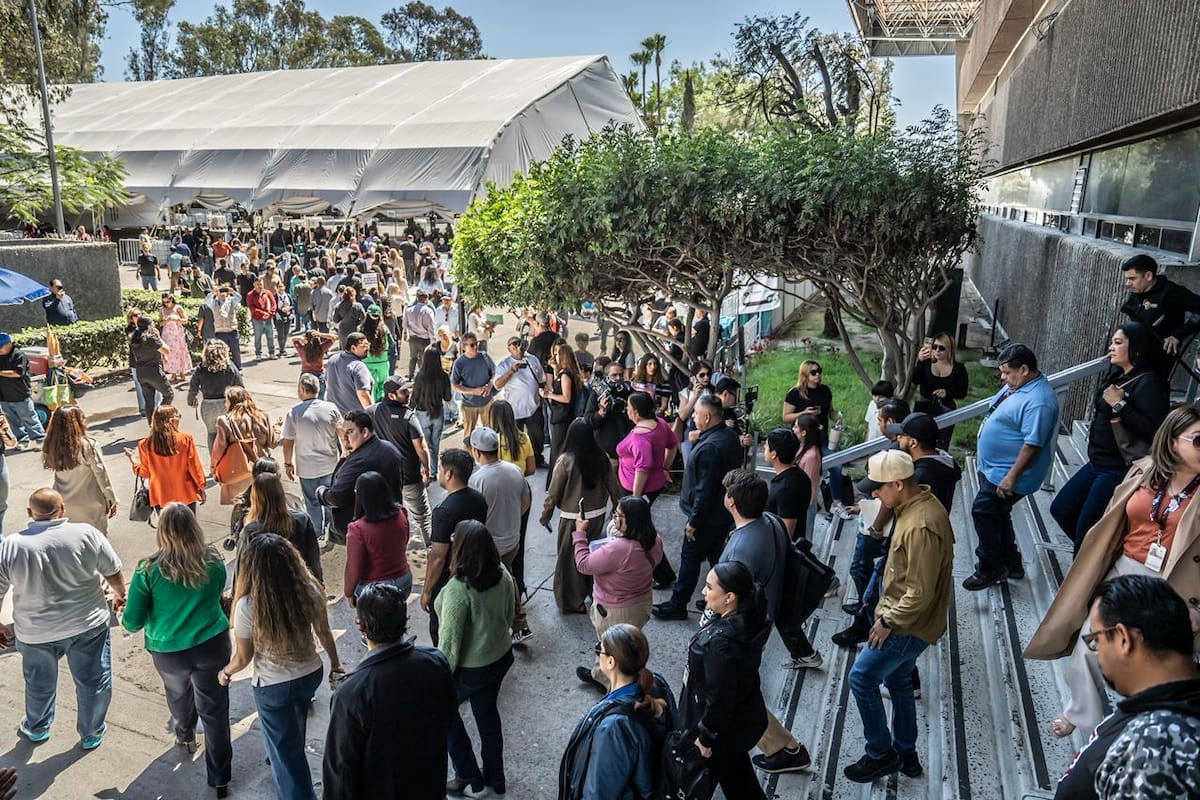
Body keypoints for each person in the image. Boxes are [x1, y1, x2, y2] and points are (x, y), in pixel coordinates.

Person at [1026, 403, 1200, 739]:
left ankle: (1141, 731)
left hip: (1175, 583)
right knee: (1090, 647)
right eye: (1197, 440)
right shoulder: (1145, 471)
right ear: (1172, 441)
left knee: (1153, 664)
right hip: (1123, 570)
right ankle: (1086, 716)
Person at [842, 450, 954, 783]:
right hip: (910, 620)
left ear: (899, 483)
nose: (875, 494)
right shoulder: (916, 506)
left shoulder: (921, 525)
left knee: (861, 679)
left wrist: (887, 622)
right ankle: (907, 754)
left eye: (879, 488)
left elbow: (918, 593)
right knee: (899, 682)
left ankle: (880, 754)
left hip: (906, 624)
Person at [1049, 576, 1200, 800]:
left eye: (1096, 639)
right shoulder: (1163, 710)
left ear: (1123, 639)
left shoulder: (1157, 750)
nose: (1096, 650)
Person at [219, 534, 343, 800]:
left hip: (273, 686)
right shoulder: (309, 588)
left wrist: (225, 673)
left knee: (286, 757)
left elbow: (243, 657)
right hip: (311, 673)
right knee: (294, 725)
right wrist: (335, 663)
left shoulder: (248, 605)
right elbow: (324, 632)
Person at [0, 488, 126, 750]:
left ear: (29, 513)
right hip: (88, 623)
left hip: (35, 632)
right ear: (63, 509)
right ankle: (91, 732)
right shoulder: (86, 534)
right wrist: (120, 594)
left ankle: (37, 727)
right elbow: (113, 570)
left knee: (39, 683)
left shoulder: (11, 545)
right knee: (93, 681)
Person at [121, 504, 232, 797]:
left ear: (162, 532)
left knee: (179, 696)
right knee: (215, 710)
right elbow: (219, 593)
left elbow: (132, 622)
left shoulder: (148, 570)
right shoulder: (213, 560)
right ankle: (220, 777)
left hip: (169, 651)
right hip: (212, 644)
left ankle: (185, 735)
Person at [835, 413, 962, 651]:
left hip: (901, 543)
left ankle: (869, 621)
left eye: (902, 435)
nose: (898, 437)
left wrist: (875, 526)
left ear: (913, 442)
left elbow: (918, 592)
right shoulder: (944, 461)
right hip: (905, 541)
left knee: (871, 575)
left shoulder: (919, 480)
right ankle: (868, 617)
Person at [323, 584, 456, 800]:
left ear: (362, 627)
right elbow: (448, 716)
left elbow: (340, 775)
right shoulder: (435, 661)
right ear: (404, 621)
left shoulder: (352, 694)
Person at [1050, 322, 1169, 552]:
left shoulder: (1150, 383)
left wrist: (1120, 405)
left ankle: (1086, 570)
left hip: (1118, 467)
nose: (1111, 348)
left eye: (1118, 343)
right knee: (1061, 509)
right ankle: (1097, 555)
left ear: (1135, 346)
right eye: (1112, 343)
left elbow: (1157, 431)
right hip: (1097, 462)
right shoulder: (1119, 374)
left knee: (1087, 529)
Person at [964, 343, 1059, 590]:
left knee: (983, 511)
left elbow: (1033, 443)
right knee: (997, 513)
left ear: (1025, 369)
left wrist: (1011, 477)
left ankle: (989, 567)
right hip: (995, 468)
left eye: (1008, 373)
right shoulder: (1020, 386)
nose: (1003, 378)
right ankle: (1012, 564)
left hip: (1008, 474)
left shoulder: (1039, 401)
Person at [435, 520, 517, 799]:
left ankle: (468, 776)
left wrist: (441, 678)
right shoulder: (503, 573)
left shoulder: (459, 589)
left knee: (444, 714)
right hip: (500, 657)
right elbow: (509, 616)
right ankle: (496, 777)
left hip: (471, 669)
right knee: (487, 714)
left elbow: (449, 645)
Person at [679, 561, 769, 799]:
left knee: (698, 785)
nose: (703, 592)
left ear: (729, 597)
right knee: (738, 777)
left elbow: (720, 697)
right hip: (741, 722)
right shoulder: (749, 619)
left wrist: (706, 738)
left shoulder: (720, 644)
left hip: (722, 731)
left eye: (709, 587)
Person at [559, 624, 675, 800]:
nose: (598, 653)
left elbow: (599, 792)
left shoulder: (614, 728)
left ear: (611, 662)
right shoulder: (655, 685)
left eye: (600, 649)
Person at [653, 396, 742, 620]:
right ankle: (719, 598)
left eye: (695, 414)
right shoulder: (728, 436)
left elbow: (705, 489)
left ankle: (678, 603)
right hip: (720, 514)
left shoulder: (711, 447)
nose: (693, 417)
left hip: (707, 516)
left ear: (707, 416)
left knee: (690, 559)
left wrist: (693, 522)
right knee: (717, 558)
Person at [572, 497, 663, 689]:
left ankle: (610, 686)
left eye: (618, 515)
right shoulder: (654, 540)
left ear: (631, 521)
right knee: (625, 646)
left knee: (612, 649)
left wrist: (580, 534)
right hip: (641, 604)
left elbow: (583, 564)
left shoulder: (619, 549)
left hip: (615, 610)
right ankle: (599, 673)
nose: (614, 519)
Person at [541, 419, 623, 613]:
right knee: (593, 556)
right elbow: (614, 488)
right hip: (597, 516)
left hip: (573, 518)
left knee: (570, 562)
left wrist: (545, 515)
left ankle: (573, 601)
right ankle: (591, 591)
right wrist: (617, 509)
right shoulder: (601, 457)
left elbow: (553, 494)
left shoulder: (566, 460)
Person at [468, 426, 533, 644]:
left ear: (477, 452)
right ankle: (518, 624)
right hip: (512, 539)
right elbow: (526, 502)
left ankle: (513, 624)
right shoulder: (514, 470)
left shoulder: (476, 480)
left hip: (491, 544)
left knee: (494, 581)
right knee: (508, 575)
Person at [422, 449, 488, 642]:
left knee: (442, 630)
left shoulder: (443, 512)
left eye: (441, 469)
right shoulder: (479, 499)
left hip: (450, 578)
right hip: (476, 570)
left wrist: (427, 591)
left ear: (449, 474)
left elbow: (438, 557)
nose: (440, 472)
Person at [317, 409, 404, 543]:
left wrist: (321, 492)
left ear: (365, 432)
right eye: (344, 432)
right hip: (391, 520)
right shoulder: (389, 448)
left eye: (350, 432)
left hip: (367, 530)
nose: (345, 437)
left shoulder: (359, 461)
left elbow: (337, 497)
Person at [369, 376, 433, 547]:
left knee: (392, 517)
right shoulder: (408, 417)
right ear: (391, 395)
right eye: (404, 391)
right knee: (423, 517)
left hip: (386, 478)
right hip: (410, 477)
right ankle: (431, 550)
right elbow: (421, 448)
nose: (409, 393)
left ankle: (396, 551)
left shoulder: (373, 411)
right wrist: (427, 468)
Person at [783, 359, 850, 518]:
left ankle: (836, 502)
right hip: (801, 439)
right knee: (801, 471)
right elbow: (786, 417)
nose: (818, 374)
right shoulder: (795, 393)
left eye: (819, 371)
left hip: (822, 437)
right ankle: (797, 501)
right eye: (813, 372)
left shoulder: (825, 390)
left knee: (836, 465)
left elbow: (830, 411)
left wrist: (837, 418)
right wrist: (803, 413)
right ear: (805, 374)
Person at [1118, 252, 1200, 379]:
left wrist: (1178, 335)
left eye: (1132, 278)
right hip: (1137, 353)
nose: (1128, 283)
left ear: (1148, 275)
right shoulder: (1137, 292)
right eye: (1127, 279)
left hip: (1159, 358)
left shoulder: (1172, 293)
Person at [281, 373, 342, 541]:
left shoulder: (293, 413)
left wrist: (288, 463)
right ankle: (333, 529)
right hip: (330, 464)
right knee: (330, 499)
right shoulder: (331, 408)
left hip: (306, 468)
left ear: (302, 389)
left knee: (312, 502)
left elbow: (288, 442)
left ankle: (317, 531)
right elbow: (343, 433)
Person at [235, 472, 323, 584]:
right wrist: (319, 583)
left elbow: (243, 569)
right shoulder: (302, 520)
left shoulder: (251, 530)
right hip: (299, 585)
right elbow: (313, 557)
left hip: (267, 590)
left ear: (255, 498)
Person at [42, 406, 118, 532]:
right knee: (96, 540)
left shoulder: (50, 445)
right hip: (90, 501)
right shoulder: (87, 446)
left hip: (63, 502)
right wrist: (111, 499)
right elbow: (101, 474)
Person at [344, 471, 412, 602]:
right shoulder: (401, 512)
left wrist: (348, 592)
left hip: (373, 590)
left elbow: (354, 566)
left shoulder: (357, 529)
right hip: (403, 580)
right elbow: (405, 541)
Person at [126, 406, 206, 512]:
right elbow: (194, 467)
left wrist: (133, 460)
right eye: (178, 416)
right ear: (171, 420)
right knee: (188, 527)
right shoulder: (185, 439)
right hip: (185, 494)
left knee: (167, 527)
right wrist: (201, 487)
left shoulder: (145, 444)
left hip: (161, 496)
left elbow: (145, 473)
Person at [210, 386, 277, 505]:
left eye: (226, 400)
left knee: (241, 507)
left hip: (239, 470)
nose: (225, 404)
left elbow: (218, 449)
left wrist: (214, 468)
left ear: (231, 402)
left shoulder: (224, 421)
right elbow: (272, 443)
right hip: (263, 469)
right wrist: (277, 429)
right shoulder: (263, 416)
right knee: (262, 504)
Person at [494, 336, 548, 468]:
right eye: (514, 345)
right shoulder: (504, 364)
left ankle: (537, 459)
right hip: (515, 410)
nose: (518, 347)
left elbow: (542, 379)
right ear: (509, 348)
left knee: (537, 436)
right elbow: (497, 384)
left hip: (533, 407)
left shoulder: (532, 360)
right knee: (515, 438)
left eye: (519, 344)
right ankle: (517, 460)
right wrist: (511, 371)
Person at [616, 391, 677, 503]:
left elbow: (642, 469)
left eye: (629, 406)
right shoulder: (660, 423)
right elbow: (673, 445)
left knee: (634, 518)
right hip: (655, 483)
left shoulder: (640, 438)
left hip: (637, 488)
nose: (626, 409)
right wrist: (665, 467)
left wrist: (635, 498)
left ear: (637, 413)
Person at [911, 333, 968, 449]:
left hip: (945, 408)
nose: (937, 351)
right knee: (921, 443)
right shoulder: (927, 363)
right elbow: (915, 380)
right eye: (934, 347)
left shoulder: (959, 369)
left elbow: (962, 392)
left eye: (941, 348)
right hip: (925, 406)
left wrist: (947, 392)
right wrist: (920, 361)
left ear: (949, 350)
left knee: (941, 443)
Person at [188, 339, 244, 453]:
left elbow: (193, 387)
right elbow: (240, 388)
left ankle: (214, 465)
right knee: (230, 433)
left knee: (212, 434)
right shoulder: (230, 367)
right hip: (227, 404)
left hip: (208, 405)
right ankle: (230, 462)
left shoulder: (200, 368)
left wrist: (191, 400)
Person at [762, 427, 812, 541]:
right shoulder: (798, 474)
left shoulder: (786, 488)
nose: (764, 448)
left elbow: (786, 534)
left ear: (774, 454)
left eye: (766, 445)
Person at [411, 346, 452, 475]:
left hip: (422, 413)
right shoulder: (443, 376)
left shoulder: (420, 376)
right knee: (435, 444)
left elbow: (414, 398)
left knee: (425, 445)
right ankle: (434, 471)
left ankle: (427, 470)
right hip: (438, 412)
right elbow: (448, 397)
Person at [586, 359, 636, 462]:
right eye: (614, 375)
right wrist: (600, 413)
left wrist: (628, 407)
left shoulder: (630, 392)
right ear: (606, 377)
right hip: (607, 454)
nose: (618, 378)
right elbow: (588, 420)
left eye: (621, 375)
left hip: (629, 451)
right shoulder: (597, 395)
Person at [451, 332, 496, 440]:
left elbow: (494, 373)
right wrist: (473, 391)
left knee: (490, 433)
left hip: (487, 402)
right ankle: (468, 456)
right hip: (469, 405)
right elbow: (454, 385)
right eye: (471, 345)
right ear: (464, 346)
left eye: (476, 344)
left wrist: (490, 385)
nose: (475, 347)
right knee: (468, 436)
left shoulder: (484, 356)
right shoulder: (459, 363)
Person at [130, 316, 175, 423]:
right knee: (168, 394)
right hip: (154, 371)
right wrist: (158, 337)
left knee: (149, 401)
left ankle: (151, 425)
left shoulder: (134, 338)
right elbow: (166, 350)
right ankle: (159, 417)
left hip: (141, 371)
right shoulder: (150, 338)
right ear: (149, 326)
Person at [325, 332, 374, 414]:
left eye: (367, 344)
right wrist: (372, 415)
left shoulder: (332, 360)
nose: (367, 348)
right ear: (353, 348)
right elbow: (363, 394)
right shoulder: (358, 366)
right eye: (364, 345)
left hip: (335, 416)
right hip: (356, 420)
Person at [292, 329, 337, 401]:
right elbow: (333, 337)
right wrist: (321, 334)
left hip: (305, 374)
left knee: (305, 399)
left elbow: (294, 339)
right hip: (319, 374)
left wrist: (301, 338)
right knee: (320, 399)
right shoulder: (321, 348)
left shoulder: (301, 349)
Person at [208, 285, 243, 370]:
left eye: (224, 292)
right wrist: (213, 292)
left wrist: (232, 291)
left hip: (232, 331)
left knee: (236, 352)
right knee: (222, 352)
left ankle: (238, 368)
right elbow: (207, 300)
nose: (223, 294)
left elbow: (239, 297)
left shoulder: (231, 301)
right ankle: (224, 368)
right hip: (220, 332)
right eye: (221, 292)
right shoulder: (214, 303)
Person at [159, 294, 193, 382]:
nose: (166, 304)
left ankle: (182, 372)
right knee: (170, 353)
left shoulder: (178, 308)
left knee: (180, 352)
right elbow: (160, 323)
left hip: (178, 334)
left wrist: (175, 319)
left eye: (168, 301)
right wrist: (167, 320)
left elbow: (185, 320)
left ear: (172, 300)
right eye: (164, 302)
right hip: (167, 334)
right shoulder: (162, 310)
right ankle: (173, 373)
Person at [404, 289, 437, 377]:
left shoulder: (408, 310)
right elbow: (431, 327)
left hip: (413, 338)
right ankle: (422, 376)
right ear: (426, 298)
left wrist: (407, 333)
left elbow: (404, 325)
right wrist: (433, 341)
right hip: (424, 339)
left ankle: (411, 376)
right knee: (424, 359)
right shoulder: (428, 311)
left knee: (413, 358)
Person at [362, 304, 391, 401]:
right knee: (383, 386)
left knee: (370, 386)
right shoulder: (385, 329)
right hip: (383, 361)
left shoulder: (361, 330)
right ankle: (382, 404)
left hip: (367, 362)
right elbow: (392, 343)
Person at [246, 276, 278, 360]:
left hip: (268, 319)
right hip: (257, 319)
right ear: (254, 285)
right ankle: (258, 354)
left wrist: (270, 313)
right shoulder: (250, 295)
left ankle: (272, 353)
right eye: (258, 284)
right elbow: (251, 307)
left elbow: (273, 304)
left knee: (270, 336)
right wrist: (262, 313)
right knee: (257, 337)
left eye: (261, 284)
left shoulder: (267, 293)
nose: (260, 286)